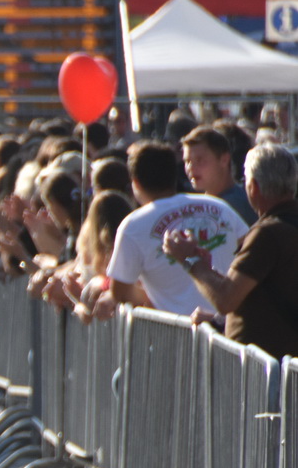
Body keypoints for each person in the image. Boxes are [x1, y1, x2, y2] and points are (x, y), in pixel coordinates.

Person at [165, 143, 298, 358]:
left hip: (269, 372)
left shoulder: (268, 233)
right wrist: (220, 321)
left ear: (253, 186)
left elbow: (226, 298)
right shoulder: (284, 228)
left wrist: (189, 260)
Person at [106, 141, 249, 316]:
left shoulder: (133, 226)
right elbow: (250, 249)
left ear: (135, 183)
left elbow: (120, 292)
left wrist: (152, 298)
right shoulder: (219, 206)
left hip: (178, 335)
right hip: (228, 327)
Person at [181, 127, 257, 225]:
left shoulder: (236, 205)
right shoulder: (202, 204)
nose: (191, 168)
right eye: (187, 161)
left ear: (224, 160)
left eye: (200, 160)